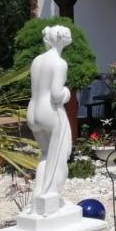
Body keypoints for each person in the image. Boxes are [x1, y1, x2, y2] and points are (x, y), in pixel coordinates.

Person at [26, 25, 73, 216]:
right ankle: (50, 199)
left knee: (45, 156)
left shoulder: (37, 60)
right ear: (62, 40)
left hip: (33, 112)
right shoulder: (59, 63)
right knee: (59, 156)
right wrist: (68, 93)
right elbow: (56, 95)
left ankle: (39, 198)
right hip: (50, 112)